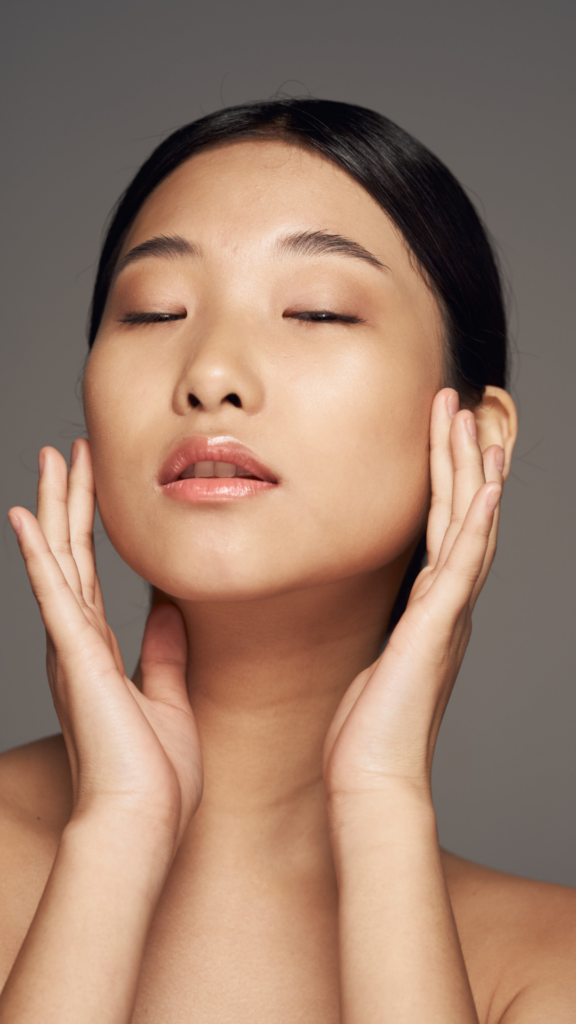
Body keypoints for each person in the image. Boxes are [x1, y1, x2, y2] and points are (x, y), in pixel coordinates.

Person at [0, 98, 574, 1023]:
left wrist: (381, 806)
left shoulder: (547, 965)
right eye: (153, 313)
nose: (212, 371)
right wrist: (115, 836)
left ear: (475, 440)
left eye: (316, 310)